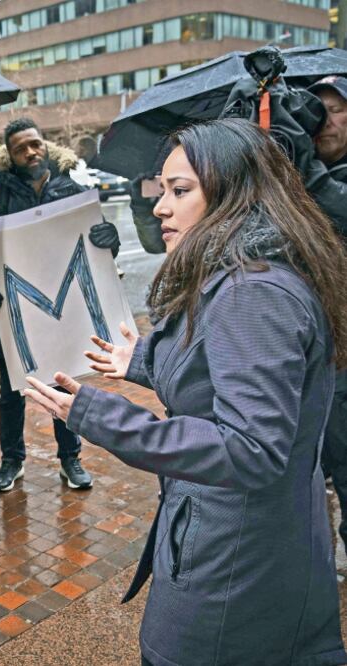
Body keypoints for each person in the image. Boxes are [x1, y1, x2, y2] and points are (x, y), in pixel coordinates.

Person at [26, 118, 347, 666]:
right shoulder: (246, 271)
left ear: (233, 193)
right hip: (253, 545)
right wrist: (144, 361)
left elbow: (251, 447)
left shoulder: (252, 292)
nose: (159, 208)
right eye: (161, 191)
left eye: (180, 191)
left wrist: (101, 415)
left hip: (234, 560)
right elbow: (228, 370)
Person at [0, 117, 120, 492]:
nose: (30, 152)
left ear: (45, 145)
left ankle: (70, 459)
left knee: (63, 385)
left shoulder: (72, 192)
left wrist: (110, 238)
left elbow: (99, 248)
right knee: (12, 391)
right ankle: (12, 461)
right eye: (21, 148)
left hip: (63, 310)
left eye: (35, 144)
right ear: (9, 156)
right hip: (16, 314)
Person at [306, 75, 347, 558]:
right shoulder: (293, 177)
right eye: (314, 111)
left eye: (334, 109)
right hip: (304, 352)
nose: (323, 120)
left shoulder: (313, 179)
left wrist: (305, 165)